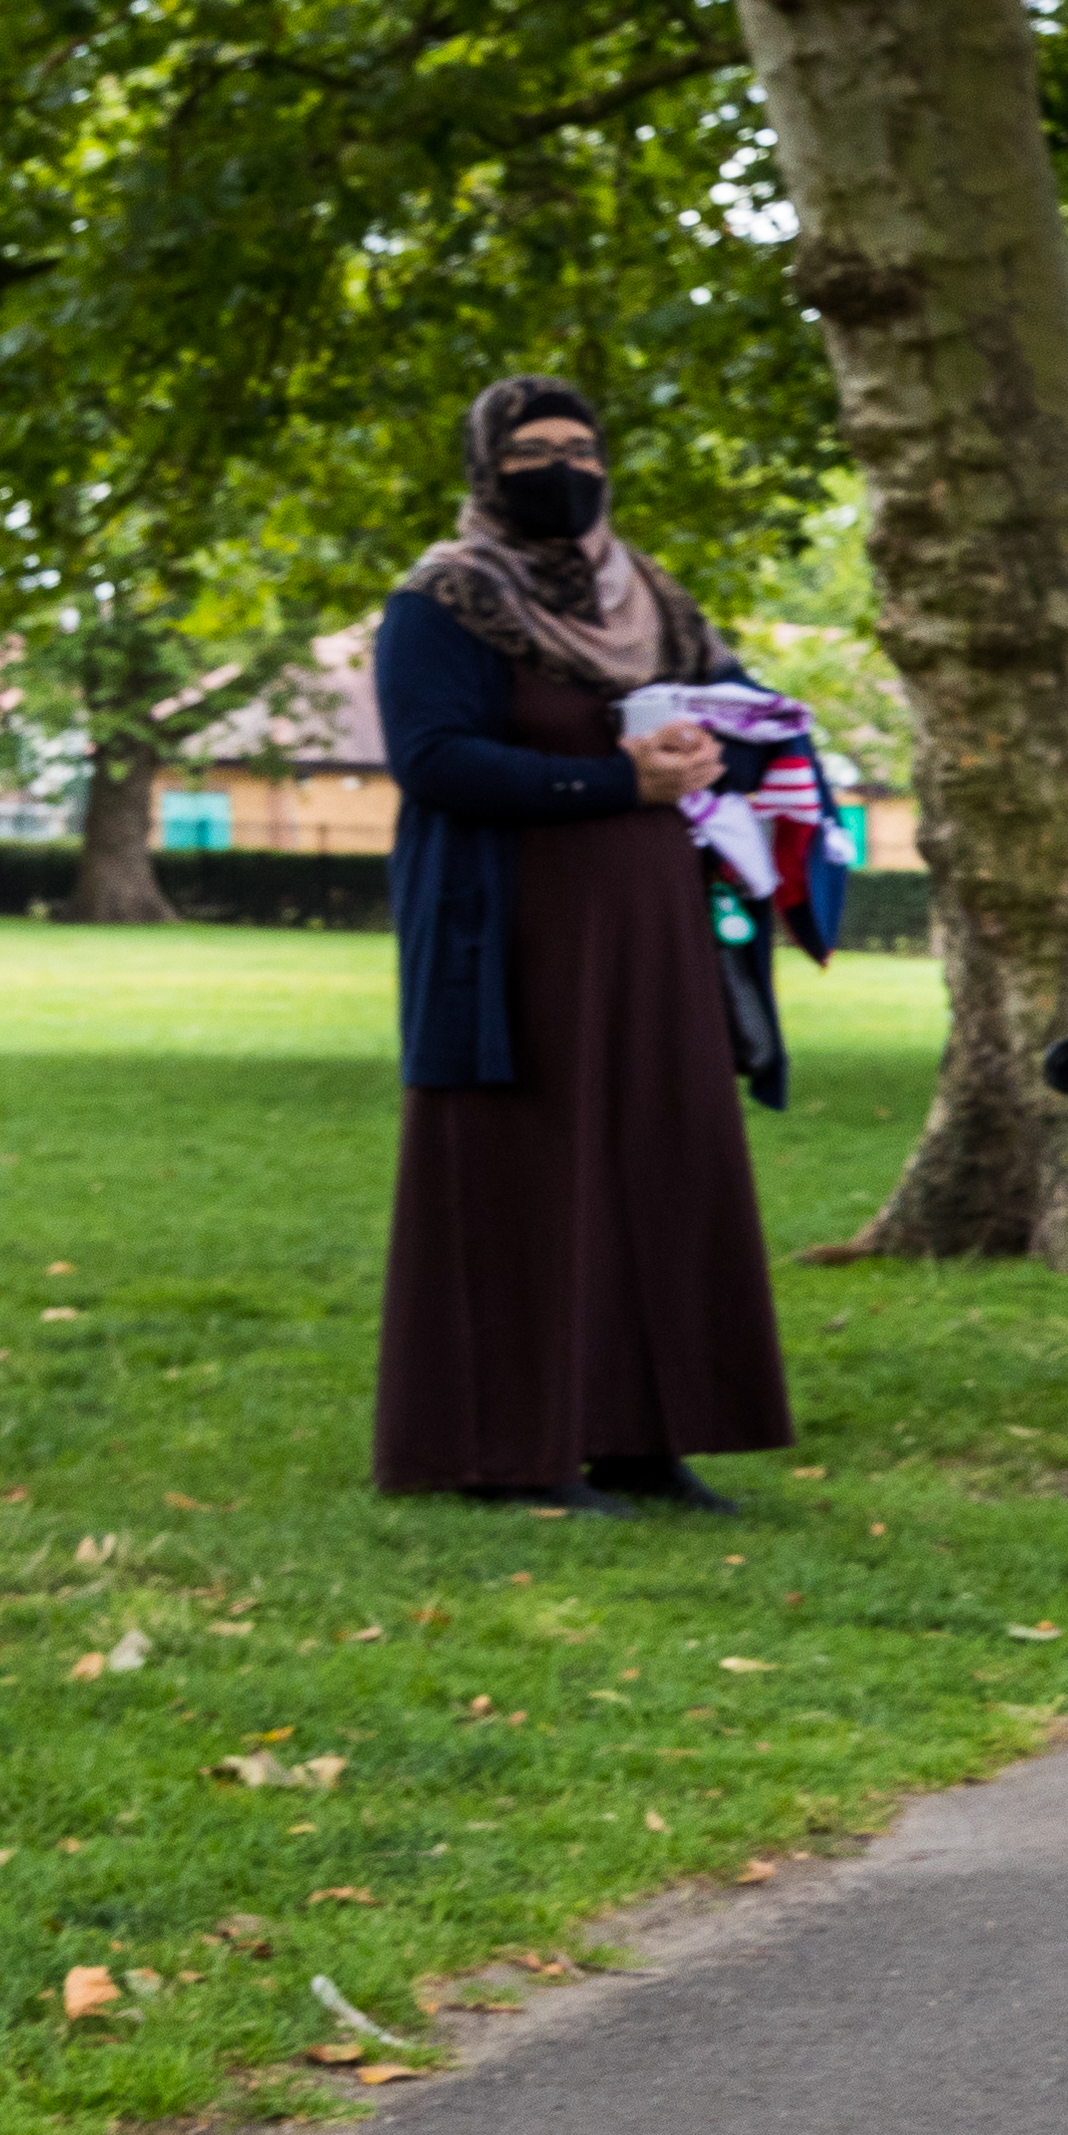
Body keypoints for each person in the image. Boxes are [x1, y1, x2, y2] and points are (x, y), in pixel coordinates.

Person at [369, 375, 799, 1518]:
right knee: (522, 1174)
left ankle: (643, 1440)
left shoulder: (651, 594)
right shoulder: (446, 598)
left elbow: (751, 717)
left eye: (581, 445)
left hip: (652, 933)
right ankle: (504, 1452)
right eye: (532, 450)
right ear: (486, 467)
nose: (562, 467)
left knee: (654, 1161)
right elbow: (433, 760)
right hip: (508, 933)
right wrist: (617, 778)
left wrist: (713, 757)